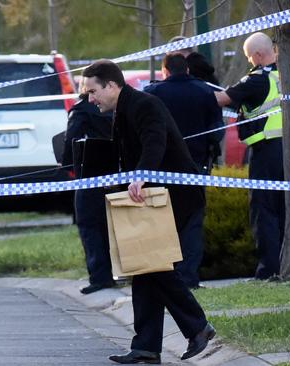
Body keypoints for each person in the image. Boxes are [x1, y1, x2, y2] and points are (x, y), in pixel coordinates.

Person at [82, 59, 215, 364]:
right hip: (152, 197)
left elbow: (155, 140)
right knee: (144, 267)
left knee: (153, 265)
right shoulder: (124, 108)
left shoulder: (144, 105)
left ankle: (198, 326)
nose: (90, 98)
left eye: (93, 91)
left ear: (112, 86)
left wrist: (141, 174)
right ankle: (146, 346)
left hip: (174, 197)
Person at [144, 53, 224, 288]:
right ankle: (188, 276)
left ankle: (167, 275)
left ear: (165, 71)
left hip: (161, 169)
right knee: (192, 223)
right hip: (195, 167)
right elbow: (216, 132)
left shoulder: (153, 93)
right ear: (187, 70)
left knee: (163, 221)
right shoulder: (204, 92)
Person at [214, 32, 284, 280]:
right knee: (286, 210)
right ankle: (286, 264)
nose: (249, 62)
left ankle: (268, 270)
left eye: (248, 57)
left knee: (264, 211)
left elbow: (222, 99)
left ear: (257, 55)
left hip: (265, 152)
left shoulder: (256, 79)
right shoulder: (284, 75)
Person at [61, 83, 116, 295]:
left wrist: (67, 166)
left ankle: (100, 277)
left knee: (89, 226)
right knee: (110, 225)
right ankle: (117, 271)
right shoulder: (115, 108)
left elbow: (70, 141)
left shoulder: (81, 109)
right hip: (117, 174)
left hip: (88, 176)